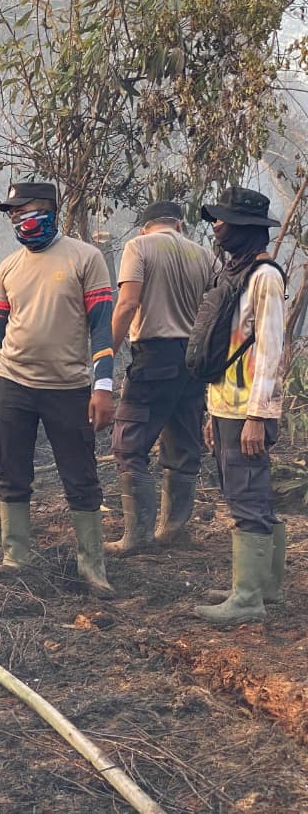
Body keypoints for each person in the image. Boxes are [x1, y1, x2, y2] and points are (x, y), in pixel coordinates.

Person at [0, 182, 116, 597]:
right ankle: (16, 556)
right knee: (10, 471)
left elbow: (102, 324)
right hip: (12, 383)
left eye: (23, 209)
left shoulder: (86, 258)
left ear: (48, 209)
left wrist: (103, 385)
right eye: (11, 212)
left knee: (81, 476)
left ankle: (93, 566)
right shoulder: (9, 266)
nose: (16, 218)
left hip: (68, 387)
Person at [194, 186, 287, 626]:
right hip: (226, 406)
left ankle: (248, 597)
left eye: (223, 220)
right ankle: (261, 586)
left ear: (245, 228)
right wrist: (214, 411)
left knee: (247, 497)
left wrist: (257, 415)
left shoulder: (264, 277)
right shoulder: (237, 271)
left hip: (246, 410)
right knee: (246, 494)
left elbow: (270, 351)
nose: (217, 227)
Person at [105, 201, 217, 555]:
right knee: (184, 444)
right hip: (194, 359)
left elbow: (126, 304)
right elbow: (216, 308)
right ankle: (174, 530)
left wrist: (104, 356)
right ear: (179, 226)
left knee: (129, 444)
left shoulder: (139, 247)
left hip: (155, 356)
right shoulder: (204, 255)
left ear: (144, 226)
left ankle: (137, 536)